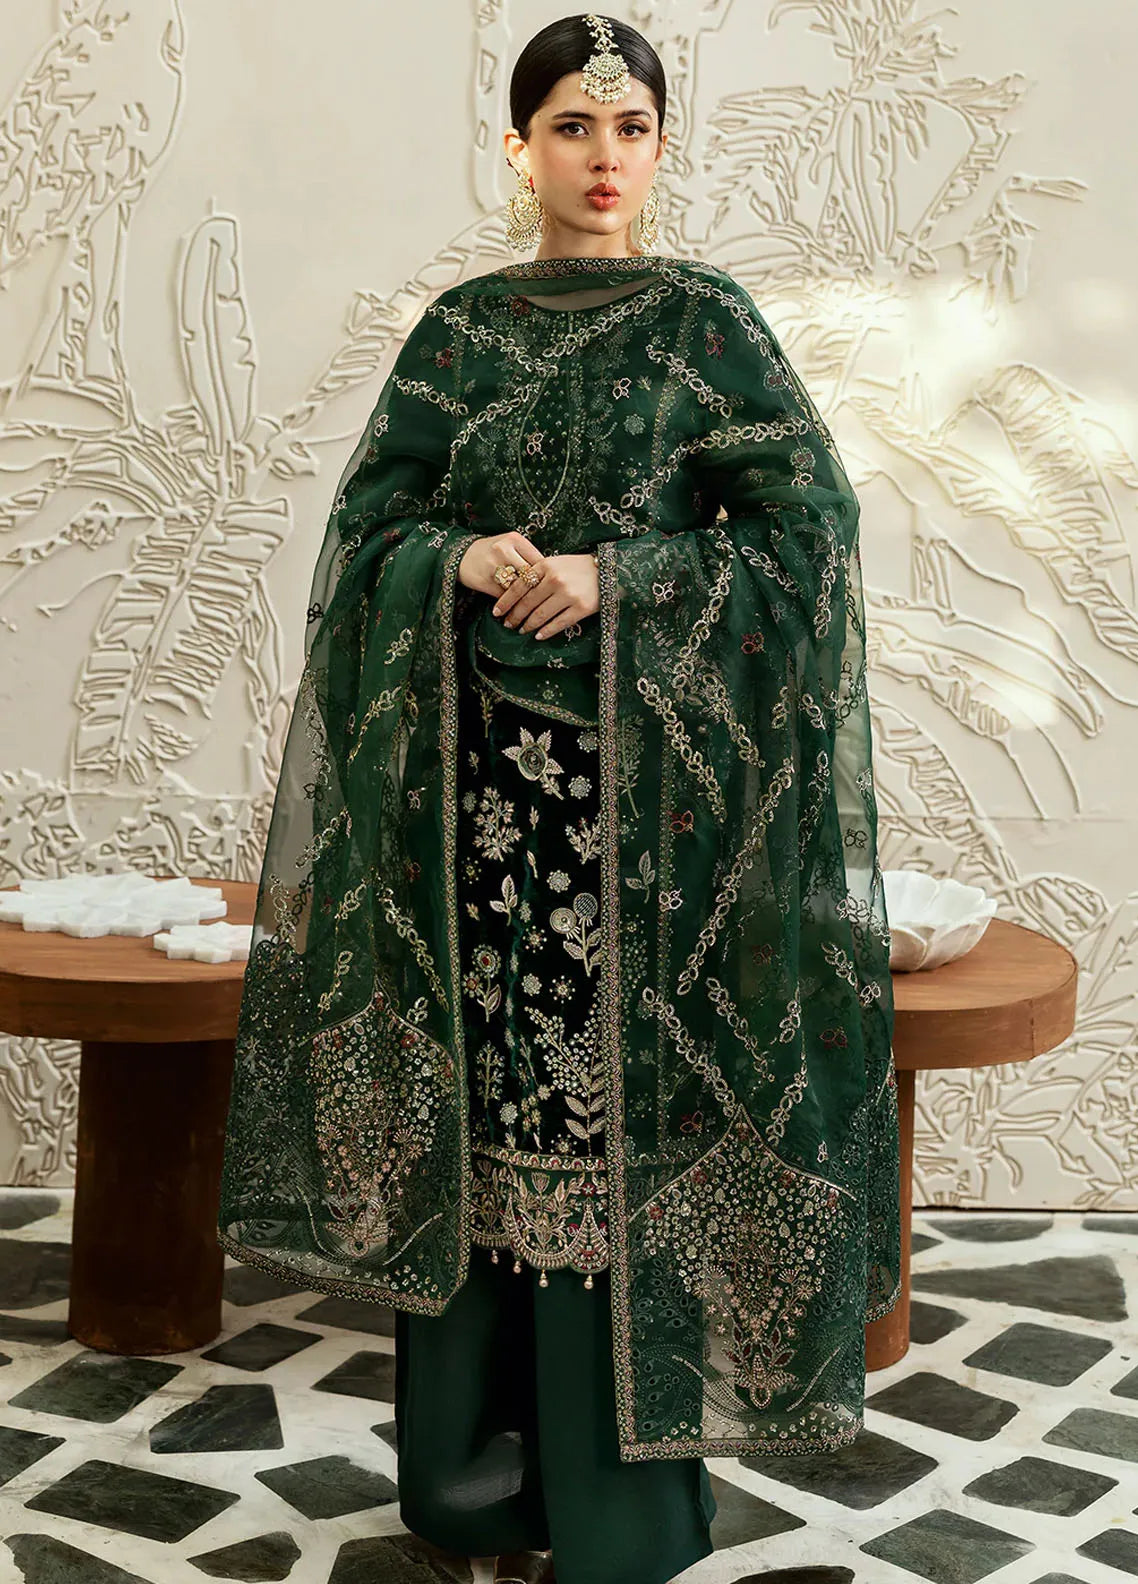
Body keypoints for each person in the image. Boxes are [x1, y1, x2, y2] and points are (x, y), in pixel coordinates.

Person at [217, 13, 901, 1584]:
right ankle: (470, 1496)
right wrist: (455, 556)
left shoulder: (705, 326)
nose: (603, 158)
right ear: (516, 147)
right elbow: (367, 536)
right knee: (491, 1136)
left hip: (651, 834)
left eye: (631, 127)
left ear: (660, 147)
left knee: (614, 1142)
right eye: (572, 127)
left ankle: (615, 1519)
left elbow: (807, 542)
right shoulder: (460, 332)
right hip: (474, 821)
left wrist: (621, 577)